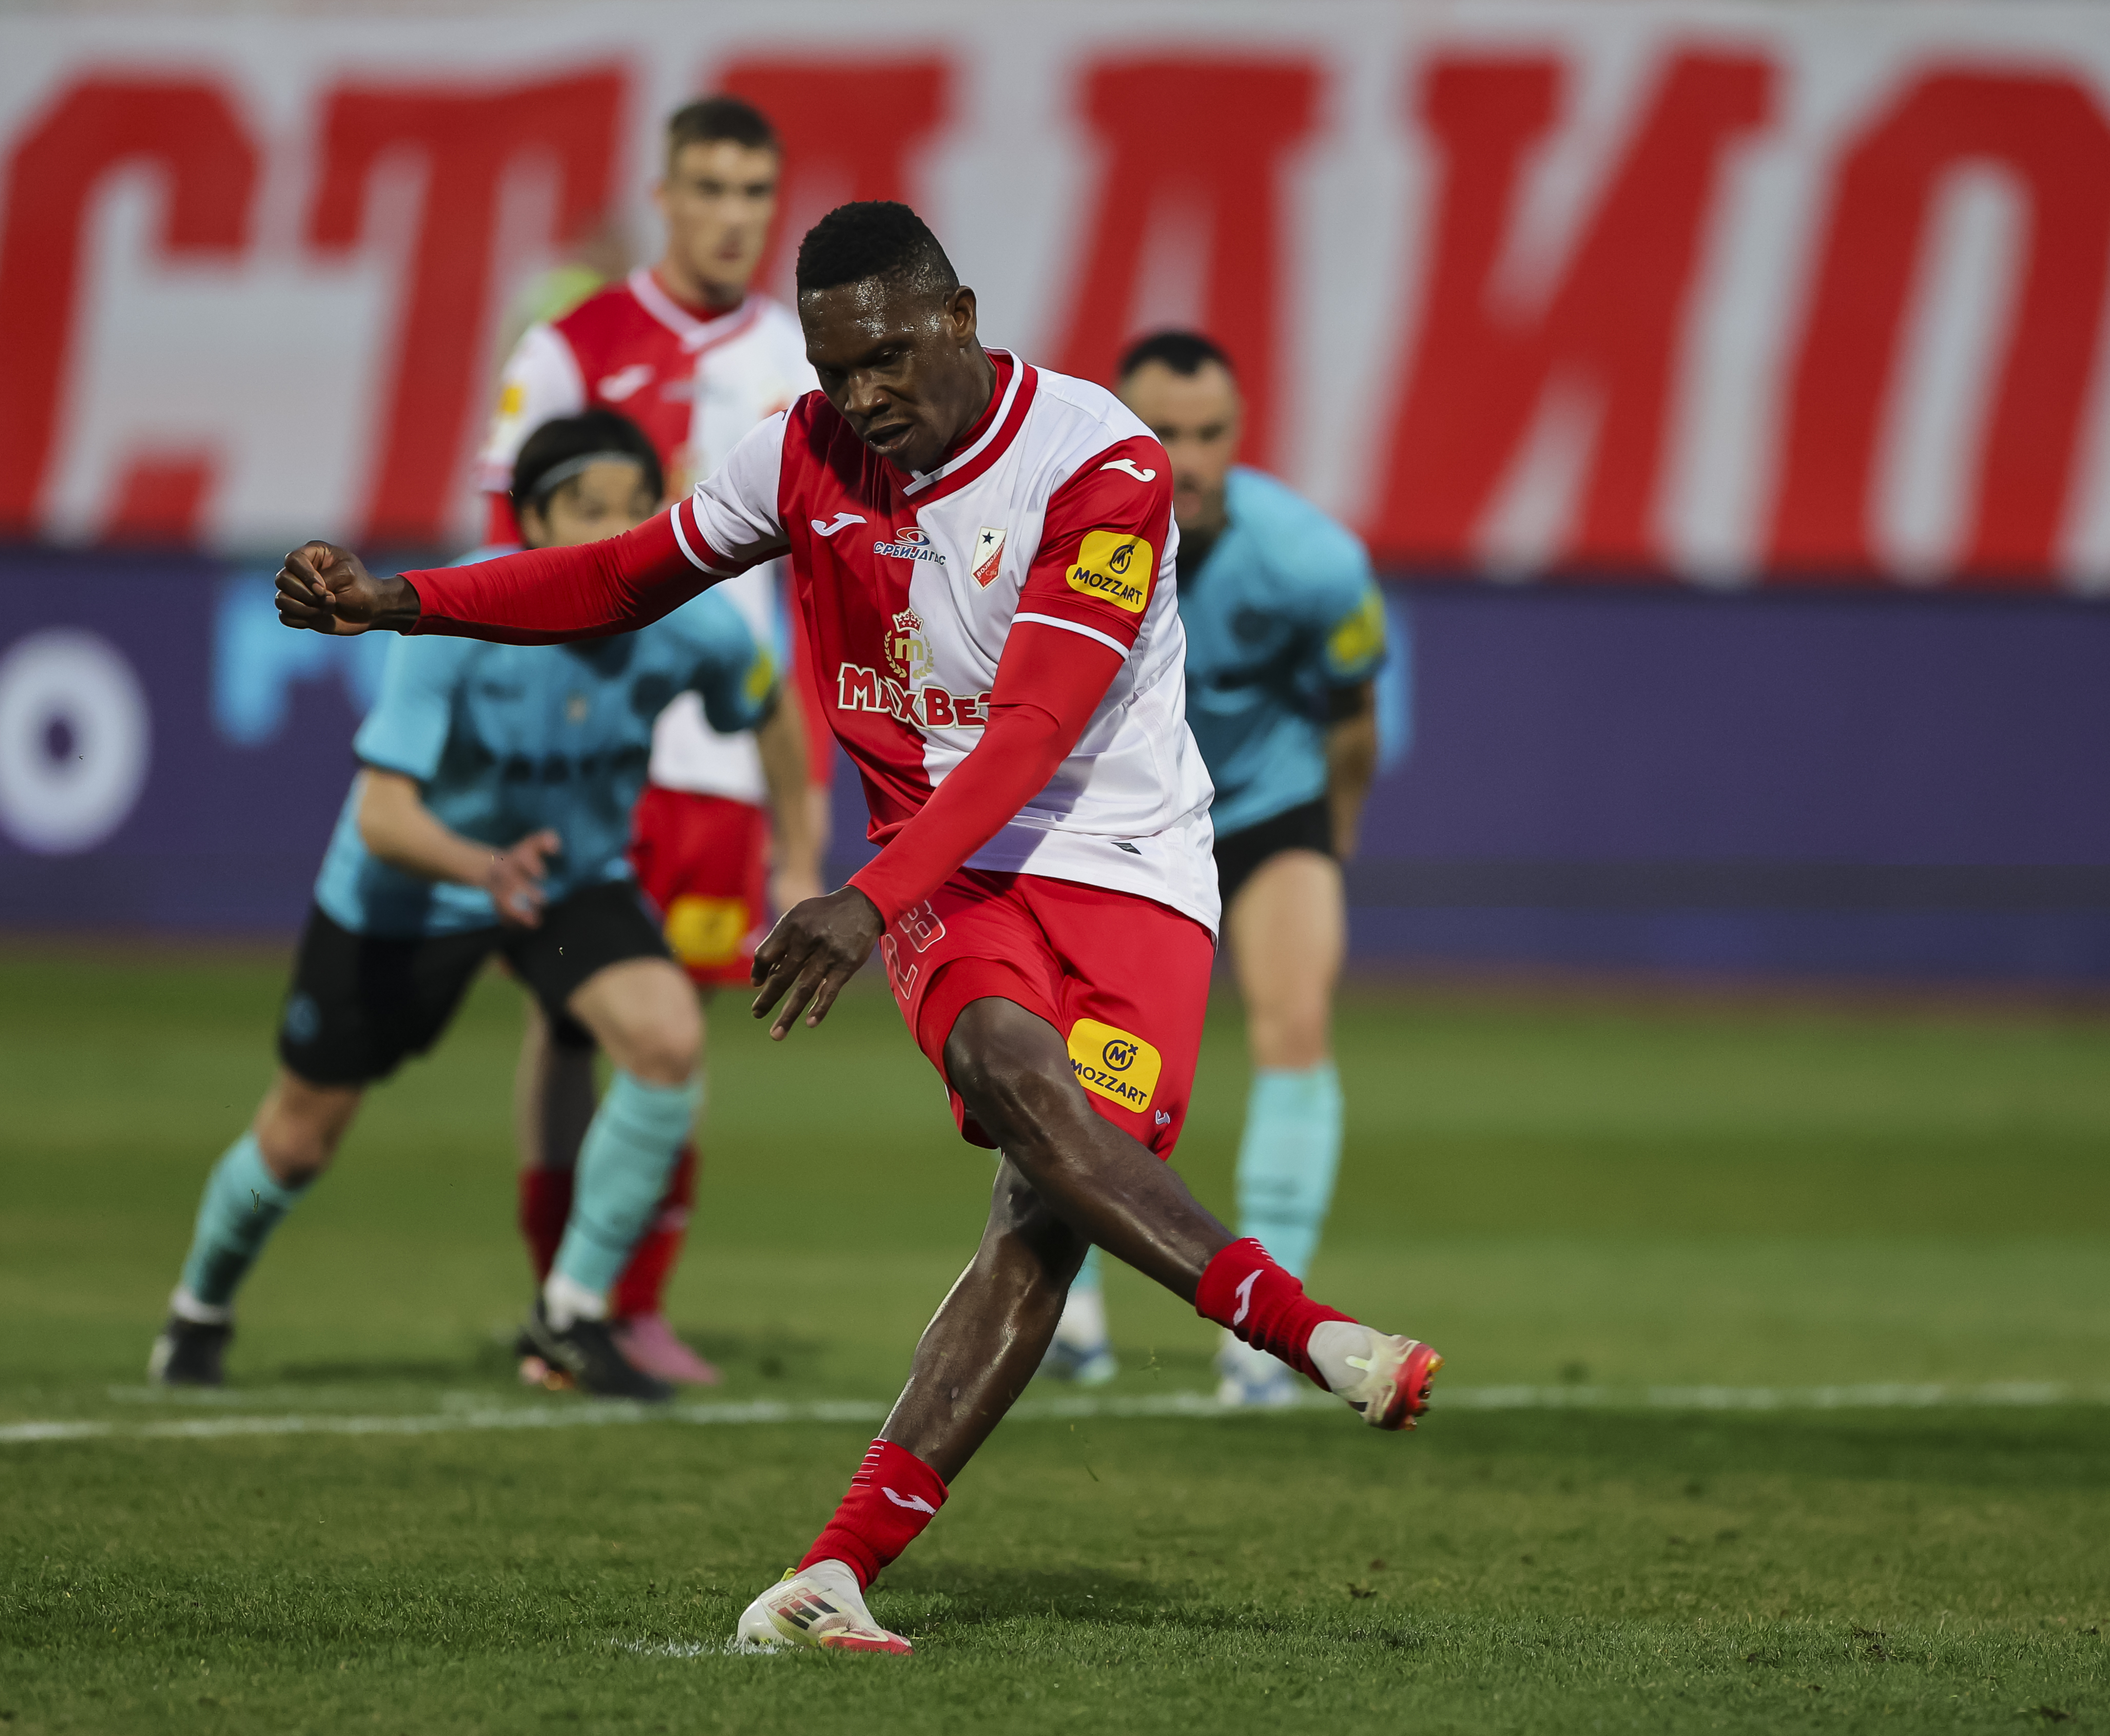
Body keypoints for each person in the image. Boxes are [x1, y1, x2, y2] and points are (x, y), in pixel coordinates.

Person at [273, 201, 1443, 1655]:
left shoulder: (1102, 465)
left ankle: (835, 1570)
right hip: (948, 875)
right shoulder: (802, 453)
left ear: (959, 316)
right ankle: (1305, 1331)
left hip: (1130, 874)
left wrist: (855, 902)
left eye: (887, 358)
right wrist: (403, 600)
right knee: (1015, 1082)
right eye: (835, 370)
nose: (863, 396)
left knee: (1043, 1218)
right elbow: (625, 573)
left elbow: (1030, 735)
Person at [152, 412, 809, 1402]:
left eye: (637, 510)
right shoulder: (454, 621)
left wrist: (796, 861)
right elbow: (383, 817)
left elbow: (770, 707)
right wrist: (482, 866)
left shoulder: (694, 620)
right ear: (531, 523)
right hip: (412, 891)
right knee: (297, 1138)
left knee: (667, 1040)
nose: (617, 532)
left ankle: (570, 1314)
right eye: (589, 510)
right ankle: (198, 1309)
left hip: (570, 879)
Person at [479, 95, 828, 1384]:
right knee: (580, 1022)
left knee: (670, 1025)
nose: (734, 217)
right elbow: (504, 538)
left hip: (721, 757)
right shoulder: (572, 349)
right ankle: (569, 1296)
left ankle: (624, 1302)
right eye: (711, 189)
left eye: (755, 192)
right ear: (666, 196)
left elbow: (826, 570)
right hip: (587, 747)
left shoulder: (802, 363)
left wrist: (805, 796)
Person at [1039, 329, 1390, 1403]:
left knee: (1294, 1027)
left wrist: (1332, 838)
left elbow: (1352, 717)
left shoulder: (1314, 563)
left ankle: (1263, 1338)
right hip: (1127, 821)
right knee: (1080, 1061)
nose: (1187, 460)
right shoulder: (1057, 534)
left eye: (1210, 433)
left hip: (1265, 808)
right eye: (1162, 433)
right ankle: (1066, 1305)